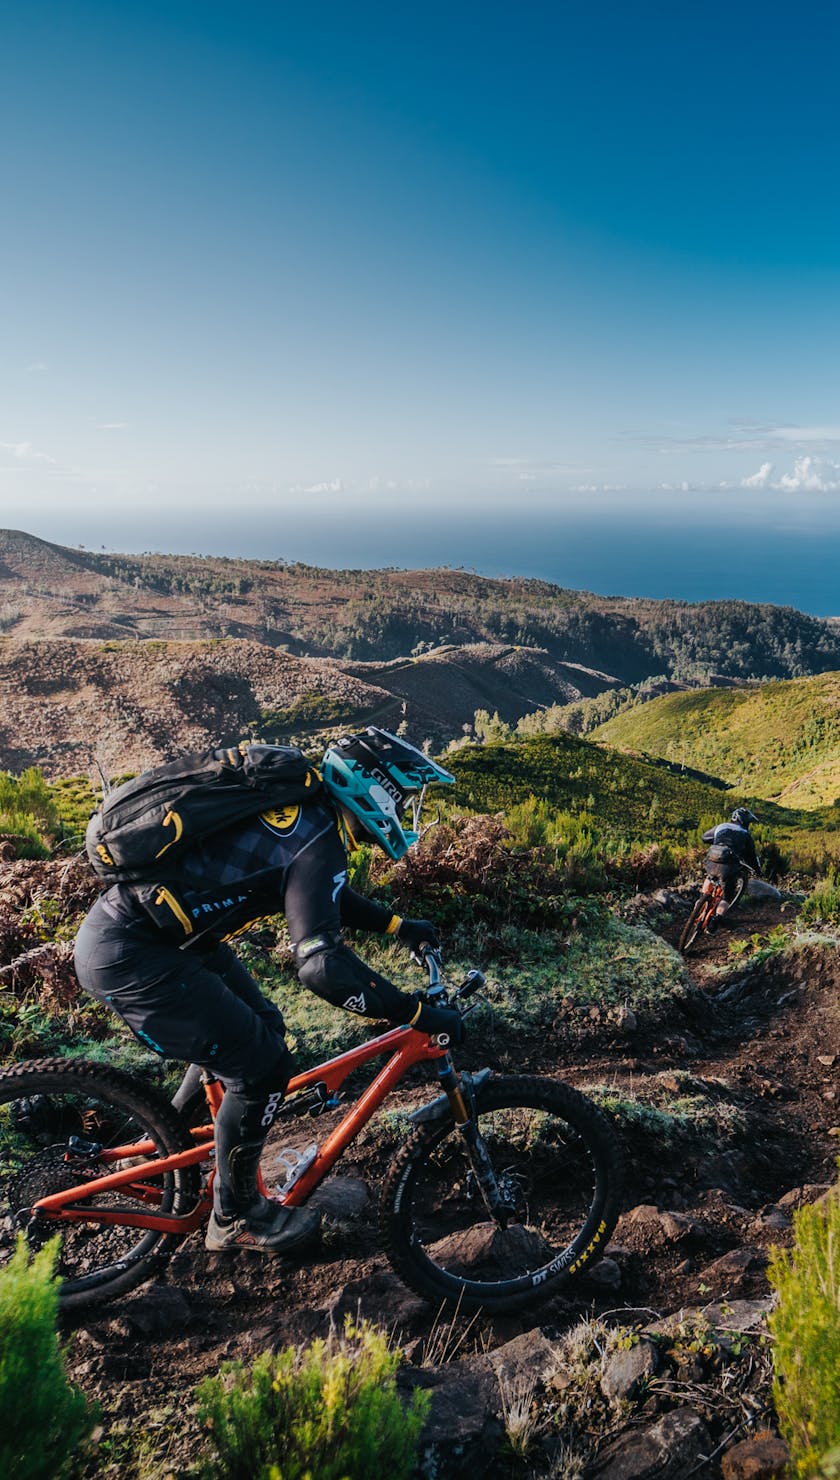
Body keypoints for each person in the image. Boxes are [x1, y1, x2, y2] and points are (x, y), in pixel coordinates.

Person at [73, 727, 461, 1254]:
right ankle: (236, 1217)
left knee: (261, 1032)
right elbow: (321, 968)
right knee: (261, 1068)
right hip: (135, 956)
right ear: (374, 788)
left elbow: (319, 894)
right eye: (403, 796)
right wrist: (413, 1010)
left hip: (158, 939)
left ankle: (168, 1146)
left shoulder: (309, 817)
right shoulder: (318, 836)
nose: (406, 810)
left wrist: (396, 926)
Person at [700, 807, 761, 924]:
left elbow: (704, 837)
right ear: (745, 822)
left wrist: (718, 841)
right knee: (727, 897)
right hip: (728, 864)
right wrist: (758, 870)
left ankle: (699, 902)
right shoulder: (746, 834)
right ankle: (715, 921)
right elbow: (751, 857)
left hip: (711, 858)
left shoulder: (721, 826)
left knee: (709, 877)